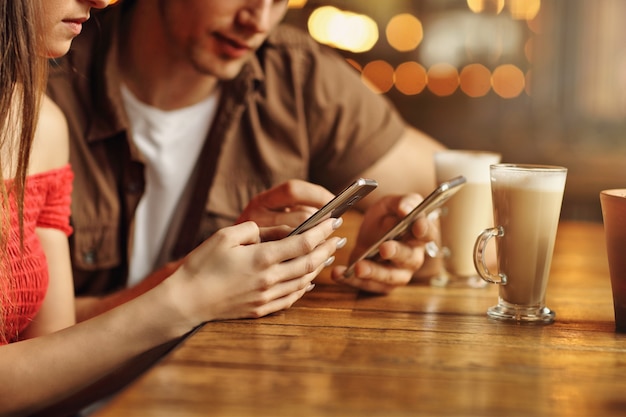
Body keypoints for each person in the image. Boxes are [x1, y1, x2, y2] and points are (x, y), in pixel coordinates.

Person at [0, 0, 343, 415]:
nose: (102, 1)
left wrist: (207, 280)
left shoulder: (41, 123)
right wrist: (187, 299)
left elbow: (55, 367)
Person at [47, 0, 446, 322]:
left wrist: (403, 247)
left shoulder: (297, 76)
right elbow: (35, 343)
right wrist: (192, 285)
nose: (258, 20)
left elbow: (463, 202)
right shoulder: (43, 78)